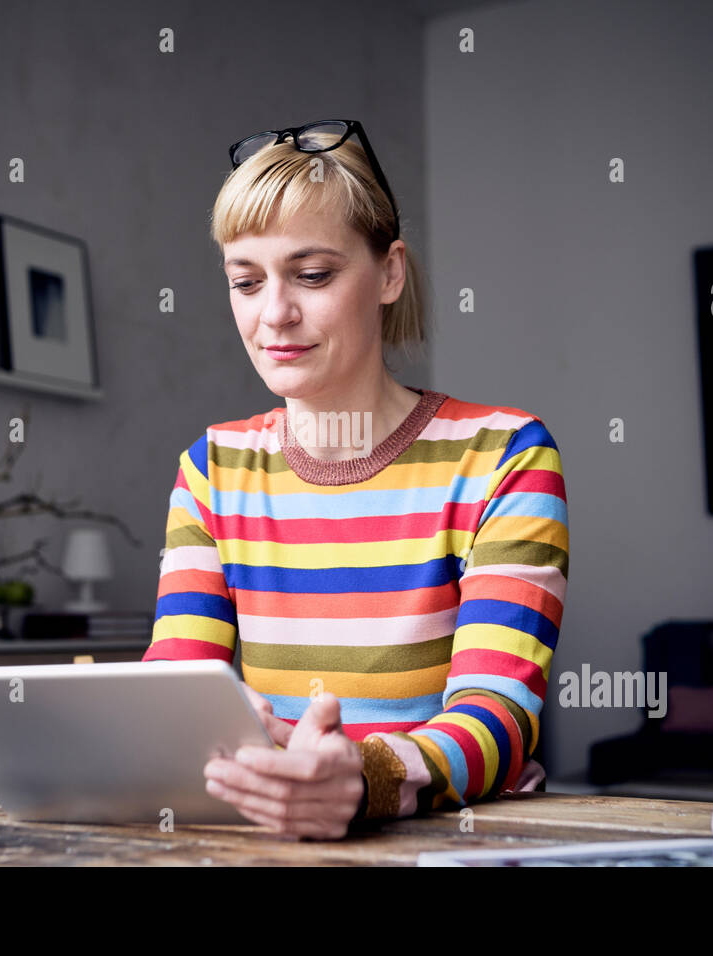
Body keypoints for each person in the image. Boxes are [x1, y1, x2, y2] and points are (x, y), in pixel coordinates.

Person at [142, 119, 569, 839]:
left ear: (390, 273)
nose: (273, 314)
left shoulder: (503, 455)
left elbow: (500, 717)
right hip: (275, 839)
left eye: (312, 275)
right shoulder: (211, 469)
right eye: (245, 282)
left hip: (452, 844)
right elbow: (174, 687)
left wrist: (364, 776)